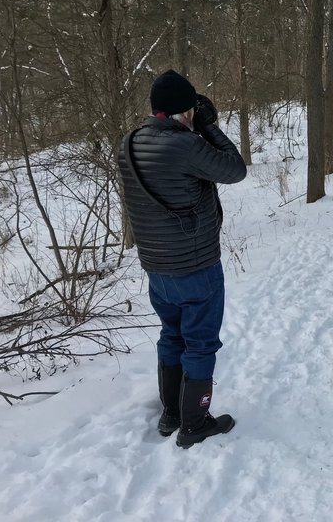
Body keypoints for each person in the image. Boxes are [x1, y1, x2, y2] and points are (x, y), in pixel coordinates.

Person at [119, 69, 247, 448]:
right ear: (187, 110)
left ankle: (171, 412)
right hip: (196, 265)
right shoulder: (186, 146)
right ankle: (195, 422)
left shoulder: (128, 143)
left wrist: (193, 125)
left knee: (171, 335)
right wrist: (208, 126)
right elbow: (234, 169)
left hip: (157, 268)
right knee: (200, 343)